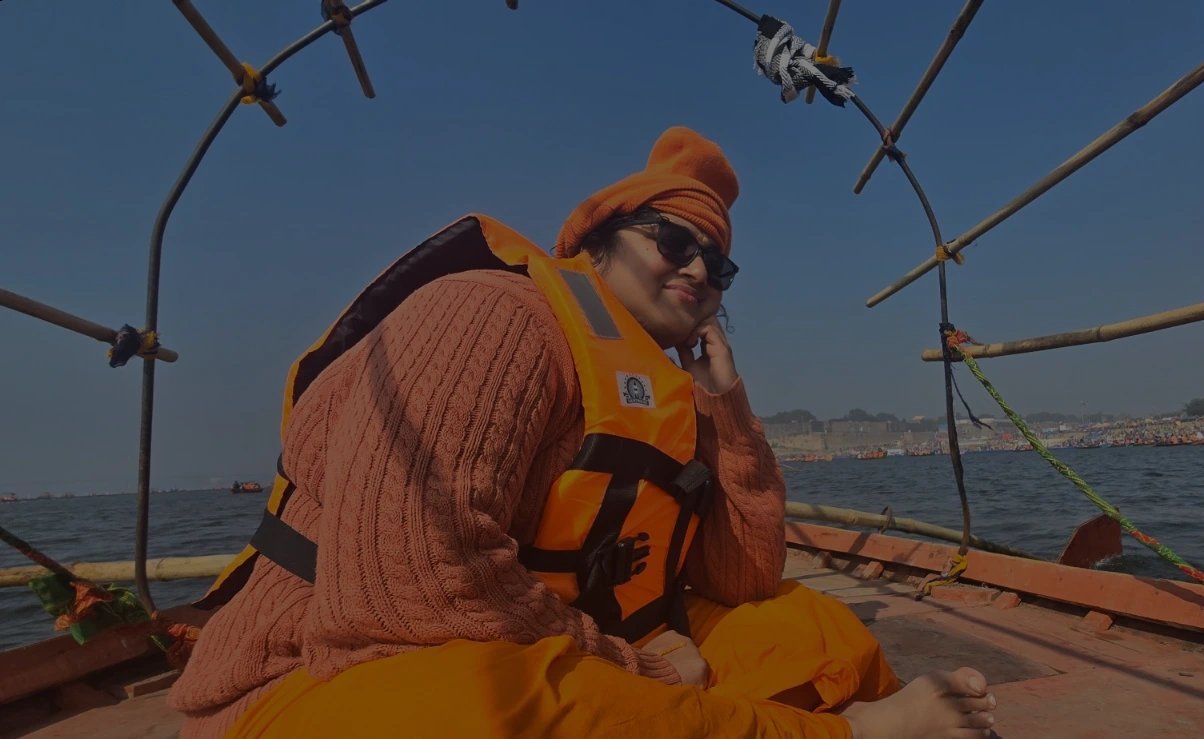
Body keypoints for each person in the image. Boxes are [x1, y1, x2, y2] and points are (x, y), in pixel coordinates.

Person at [168, 128, 996, 738]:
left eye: (721, 263)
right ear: (596, 247)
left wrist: (726, 402)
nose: (701, 270)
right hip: (327, 675)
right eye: (674, 241)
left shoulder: (671, 394)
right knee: (488, 714)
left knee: (819, 632)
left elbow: (741, 574)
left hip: (566, 639)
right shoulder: (491, 317)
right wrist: (645, 669)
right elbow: (407, 596)